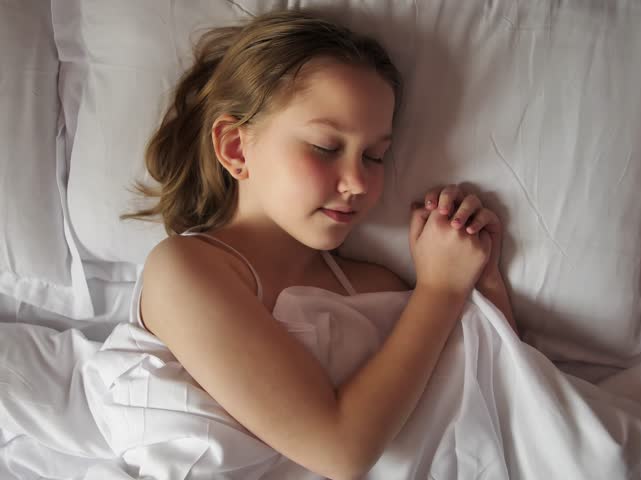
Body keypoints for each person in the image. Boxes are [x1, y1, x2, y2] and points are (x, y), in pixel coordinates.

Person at [123, 9, 518, 479]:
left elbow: (492, 400)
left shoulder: (373, 285)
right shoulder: (186, 268)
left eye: (375, 156)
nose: (357, 182)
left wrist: (482, 280)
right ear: (234, 147)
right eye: (326, 148)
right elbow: (340, 452)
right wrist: (440, 292)